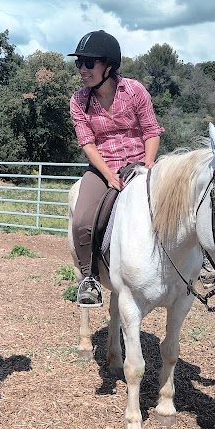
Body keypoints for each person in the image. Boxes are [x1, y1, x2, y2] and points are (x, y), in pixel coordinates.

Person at [68, 30, 165, 307]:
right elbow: (87, 143)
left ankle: (200, 264)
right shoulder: (78, 100)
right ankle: (90, 279)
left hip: (140, 163)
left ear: (108, 66)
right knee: (82, 221)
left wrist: (147, 166)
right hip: (102, 167)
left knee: (180, 204)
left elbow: (151, 131)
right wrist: (110, 176)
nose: (82, 70)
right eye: (79, 63)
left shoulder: (135, 91)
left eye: (88, 63)